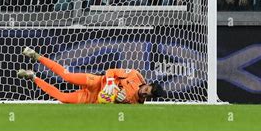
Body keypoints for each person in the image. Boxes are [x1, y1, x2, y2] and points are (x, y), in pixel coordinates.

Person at [17, 47, 164, 104]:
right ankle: (36, 56)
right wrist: (110, 84)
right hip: (97, 82)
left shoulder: (136, 104)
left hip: (94, 99)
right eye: (146, 90)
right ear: (147, 84)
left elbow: (116, 113)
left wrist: (120, 102)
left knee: (63, 98)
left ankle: (33, 77)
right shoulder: (135, 75)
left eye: (147, 96)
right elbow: (110, 71)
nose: (143, 94)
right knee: (67, 76)